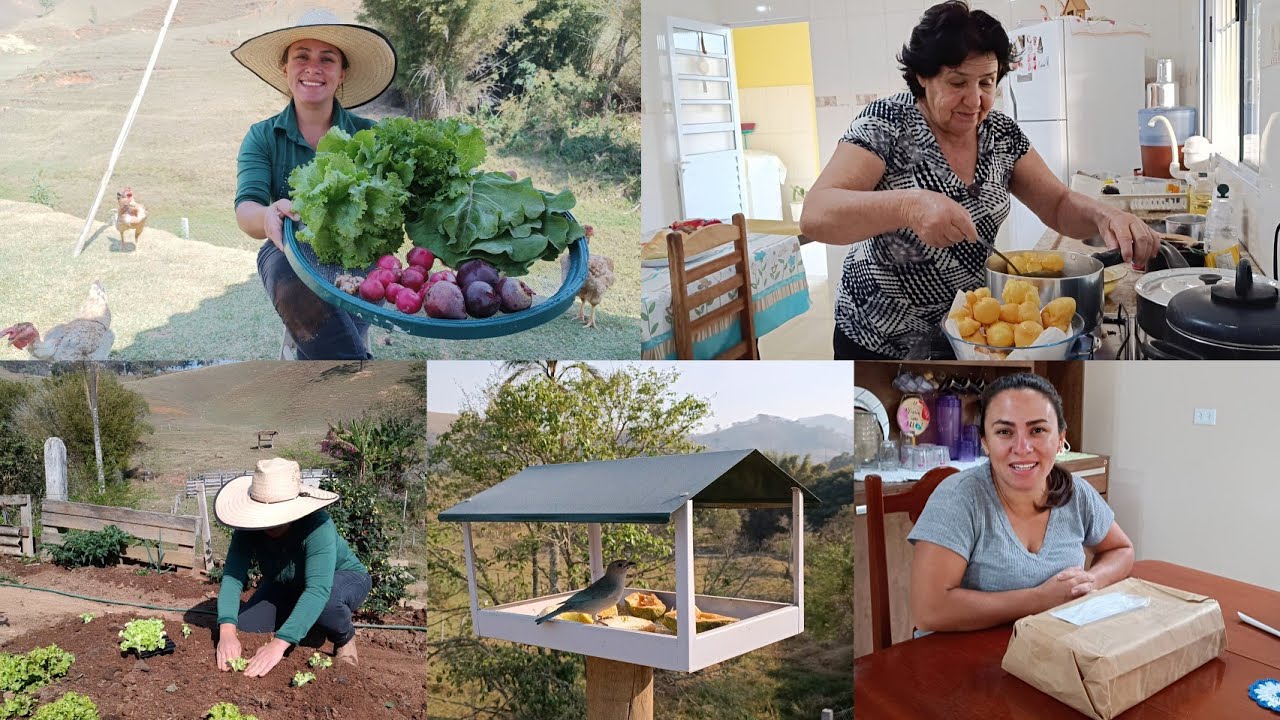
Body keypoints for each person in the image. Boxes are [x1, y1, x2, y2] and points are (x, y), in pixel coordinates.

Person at [800, 1, 1161, 360]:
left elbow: (1058, 204)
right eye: (957, 82)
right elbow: (816, 215)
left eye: (987, 82)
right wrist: (910, 206)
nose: (974, 100)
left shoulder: (1000, 133)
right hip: (877, 340)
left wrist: (1106, 217)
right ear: (923, 77)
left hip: (967, 337)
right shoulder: (886, 123)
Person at [907, 373, 1134, 633]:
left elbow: (1122, 550)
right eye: (1004, 432)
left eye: (1037, 430)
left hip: (1048, 649)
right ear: (985, 443)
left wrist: (1092, 580)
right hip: (959, 657)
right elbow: (930, 610)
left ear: (1060, 439)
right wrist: (1040, 599)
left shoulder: (1076, 492)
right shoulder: (958, 498)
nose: (1022, 447)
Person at [232, 10, 397, 360]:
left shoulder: (371, 136)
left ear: (342, 73)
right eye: (301, 57)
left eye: (327, 59)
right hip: (289, 253)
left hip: (359, 259)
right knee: (301, 297)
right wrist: (267, 216)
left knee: (327, 344)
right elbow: (246, 208)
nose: (313, 68)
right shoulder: (262, 136)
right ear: (285, 68)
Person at [213, 458, 371, 677]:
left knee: (326, 604)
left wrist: (277, 646)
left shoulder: (317, 526)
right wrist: (227, 632)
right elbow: (232, 576)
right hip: (287, 585)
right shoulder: (248, 528)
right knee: (248, 624)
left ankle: (344, 636)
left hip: (341, 578)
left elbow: (318, 589)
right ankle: (308, 624)